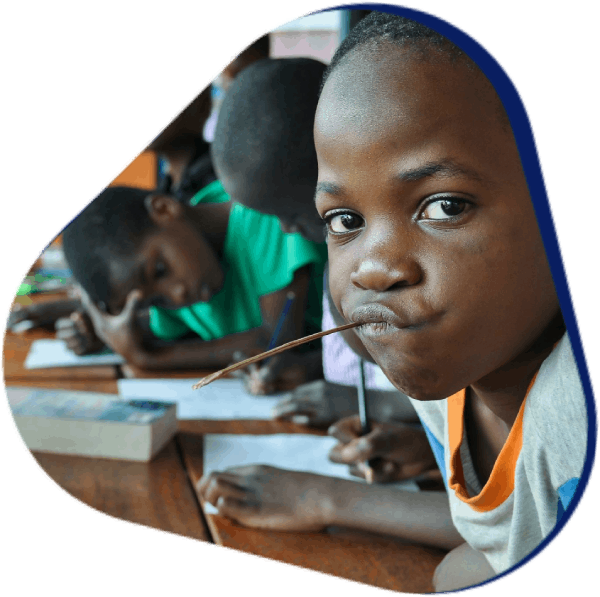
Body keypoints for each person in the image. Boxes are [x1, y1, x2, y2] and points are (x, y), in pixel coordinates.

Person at [198, 11, 586, 592]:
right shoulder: (446, 386)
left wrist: (331, 500)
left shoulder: (576, 415)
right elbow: (502, 541)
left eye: (446, 206)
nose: (373, 269)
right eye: (345, 220)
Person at [210, 53, 437, 481]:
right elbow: (361, 354)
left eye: (291, 211)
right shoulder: (338, 247)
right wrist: (310, 367)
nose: (286, 229)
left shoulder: (395, 261)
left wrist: (367, 402)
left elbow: (469, 388)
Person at [60, 183, 327, 392]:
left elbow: (274, 344)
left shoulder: (260, 212)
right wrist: (99, 331)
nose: (176, 296)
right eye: (154, 302)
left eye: (160, 271)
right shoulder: (178, 274)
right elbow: (158, 332)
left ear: (164, 209)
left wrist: (150, 358)